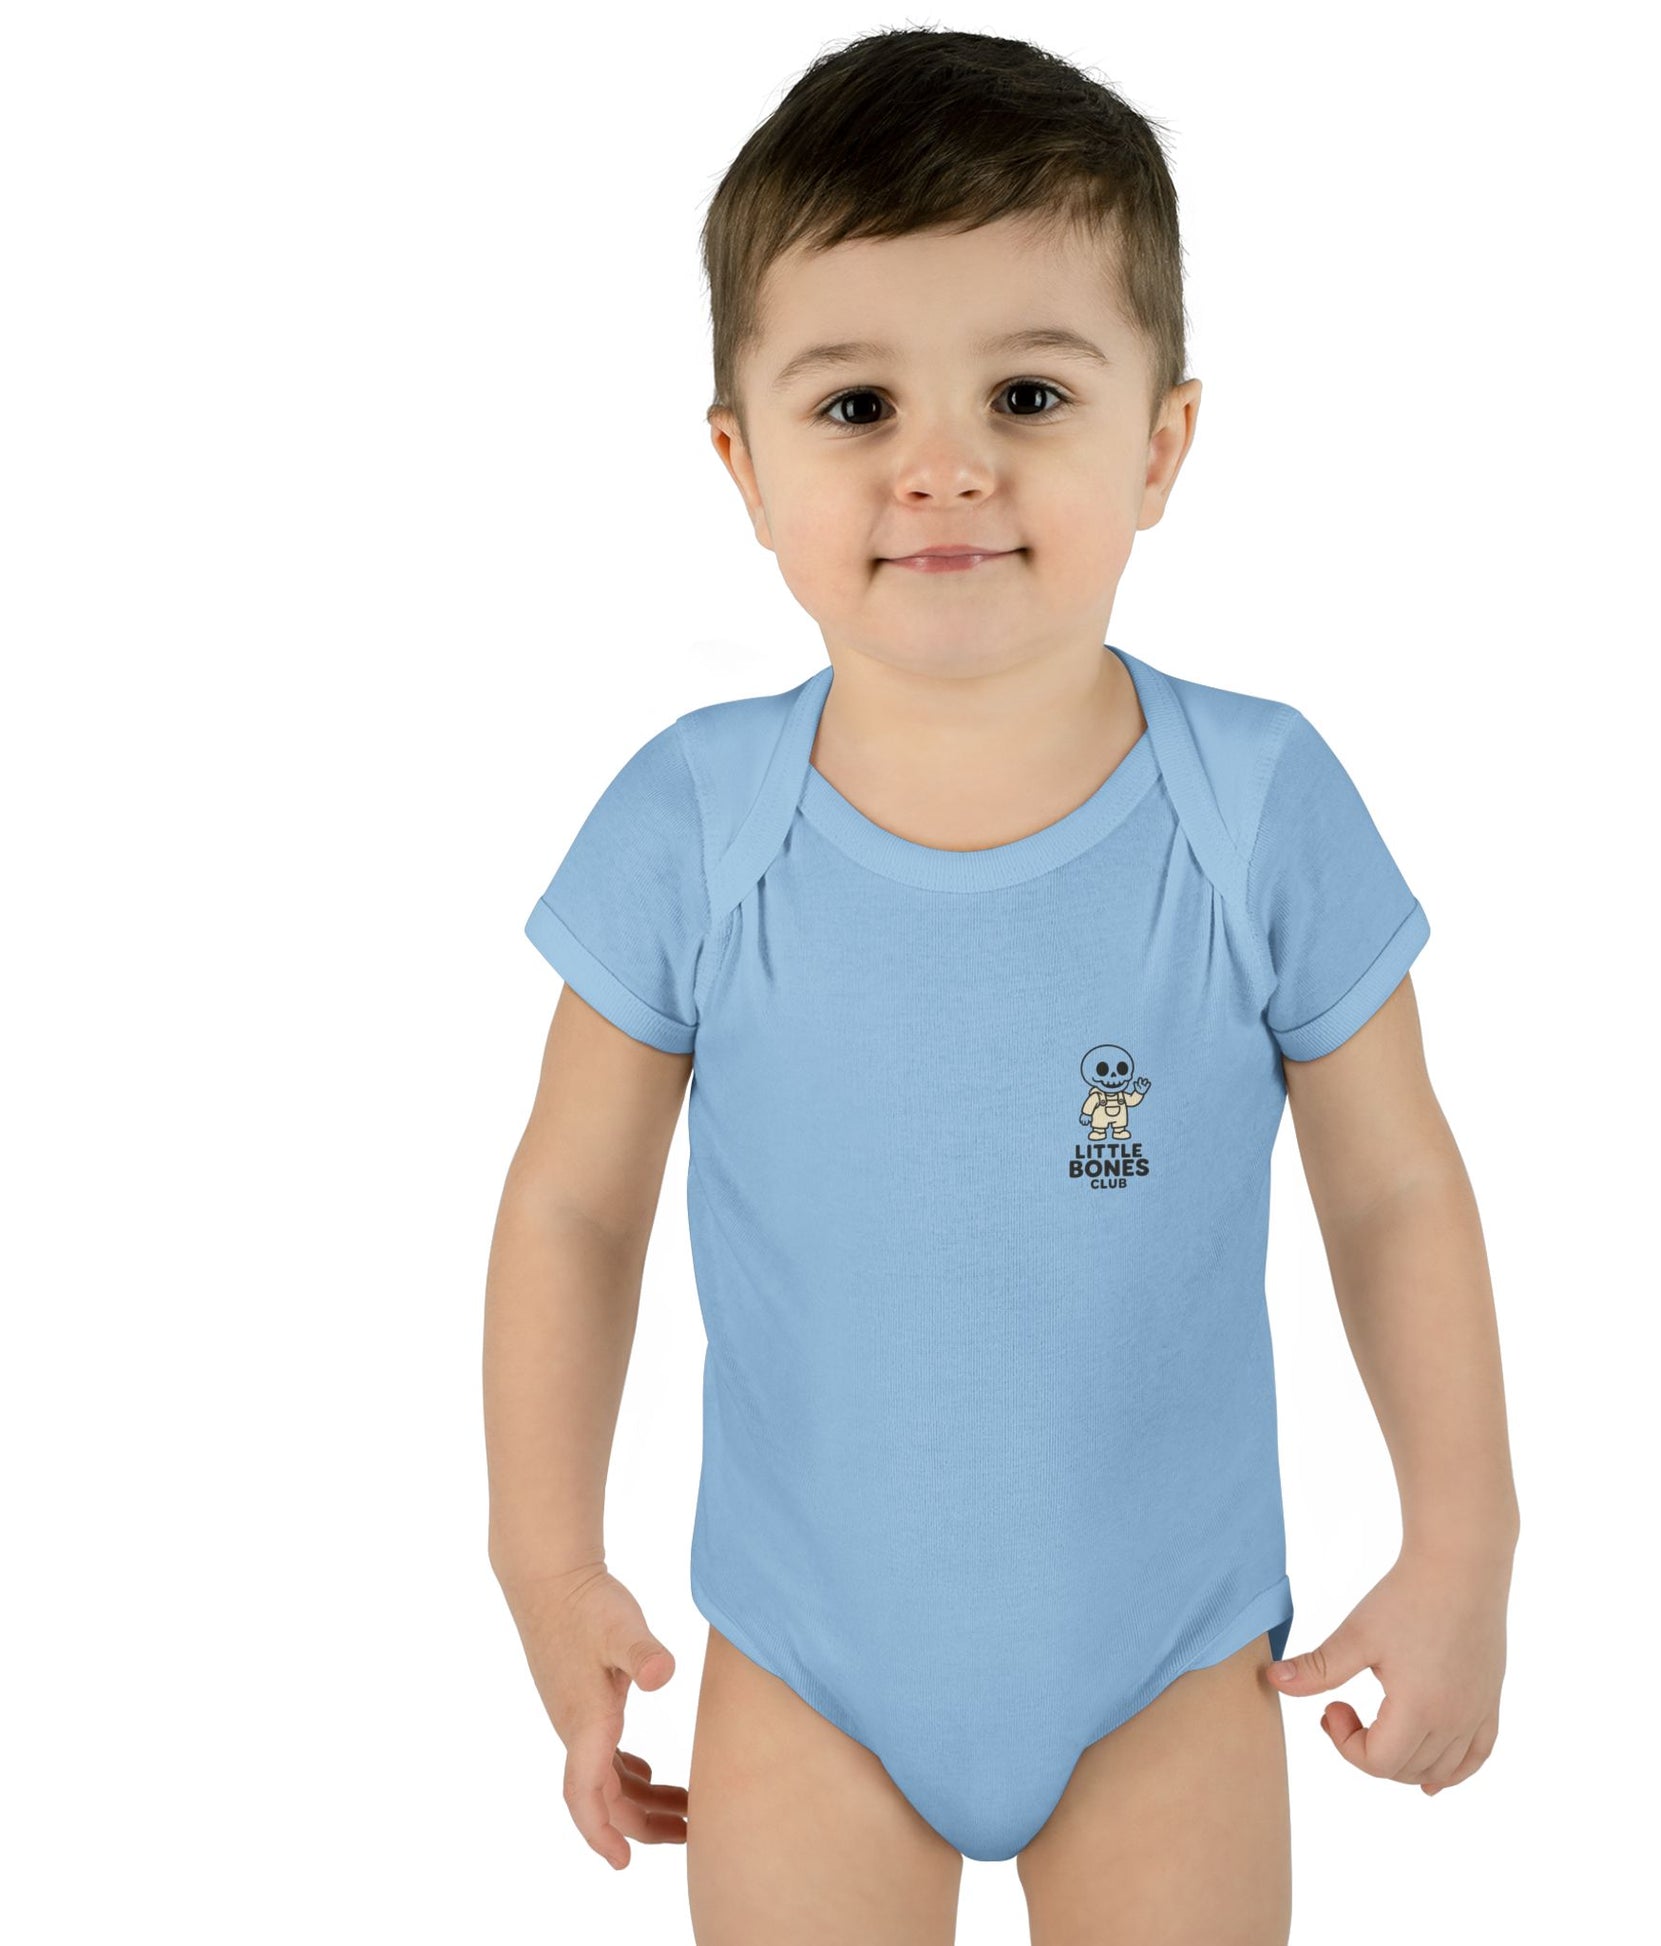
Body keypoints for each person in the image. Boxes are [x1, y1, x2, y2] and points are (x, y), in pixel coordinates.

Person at [484, 27, 1517, 1945]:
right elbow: (570, 1209)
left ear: (1161, 444)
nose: (943, 465)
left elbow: (1391, 1189)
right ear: (743, 464)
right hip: (805, 1658)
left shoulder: (1256, 801)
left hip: (1167, 1657)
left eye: (1027, 392)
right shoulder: (692, 822)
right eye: (856, 403)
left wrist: (1464, 1539)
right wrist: (546, 1566)